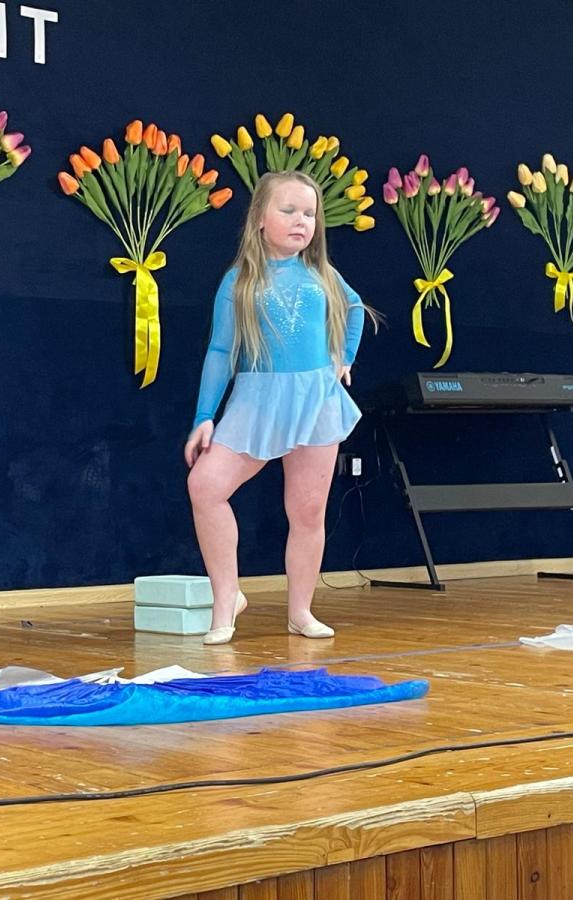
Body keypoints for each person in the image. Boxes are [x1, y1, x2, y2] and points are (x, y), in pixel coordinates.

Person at [185, 170, 374, 645]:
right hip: (258, 399)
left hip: (316, 400)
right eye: (288, 210)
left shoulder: (322, 274)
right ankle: (227, 598)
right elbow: (220, 351)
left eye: (309, 213)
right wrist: (205, 416)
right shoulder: (239, 280)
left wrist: (343, 358)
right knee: (205, 486)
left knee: (308, 512)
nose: (301, 220)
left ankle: (301, 611)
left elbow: (354, 309)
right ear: (260, 218)